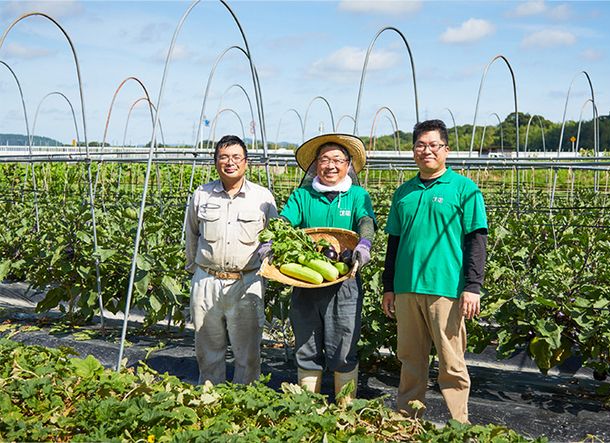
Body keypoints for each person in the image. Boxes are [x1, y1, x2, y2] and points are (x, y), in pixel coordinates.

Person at [381, 119, 488, 423]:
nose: (426, 150)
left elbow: (476, 241)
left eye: (433, 145)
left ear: (446, 149)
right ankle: (406, 419)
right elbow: (394, 243)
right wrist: (389, 286)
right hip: (406, 287)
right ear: (413, 150)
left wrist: (472, 286)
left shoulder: (465, 189)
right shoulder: (404, 192)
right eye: (420, 145)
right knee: (410, 359)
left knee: (451, 361)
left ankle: (460, 423)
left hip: (446, 288)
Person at [274, 133, 376, 400]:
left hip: (345, 283)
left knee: (344, 348)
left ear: (348, 164)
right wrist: (274, 239)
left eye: (337, 160)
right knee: (306, 347)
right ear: (315, 164)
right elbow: (286, 220)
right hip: (306, 283)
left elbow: (365, 220)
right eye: (324, 159)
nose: (330, 165)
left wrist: (364, 242)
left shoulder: (357, 195)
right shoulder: (302, 195)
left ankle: (345, 409)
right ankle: (307, 410)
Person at [185, 134, 278, 385]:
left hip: (246, 281)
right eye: (223, 157)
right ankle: (210, 398)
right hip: (207, 280)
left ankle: (244, 403)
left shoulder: (262, 197)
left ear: (246, 162)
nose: (230, 162)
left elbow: (274, 238)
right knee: (208, 349)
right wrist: (195, 271)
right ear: (216, 162)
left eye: (236, 157)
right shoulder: (202, 195)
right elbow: (191, 234)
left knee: (247, 352)